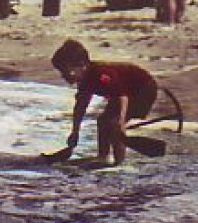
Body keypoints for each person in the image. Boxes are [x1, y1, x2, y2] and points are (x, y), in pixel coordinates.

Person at [51, 39, 158, 168]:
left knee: (112, 123)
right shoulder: (85, 81)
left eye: (66, 71)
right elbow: (80, 107)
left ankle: (119, 162)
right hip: (124, 92)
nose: (63, 76)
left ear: (82, 65)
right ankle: (103, 156)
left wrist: (120, 121)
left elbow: (122, 97)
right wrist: (75, 132)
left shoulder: (101, 74)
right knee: (103, 121)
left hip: (143, 90)